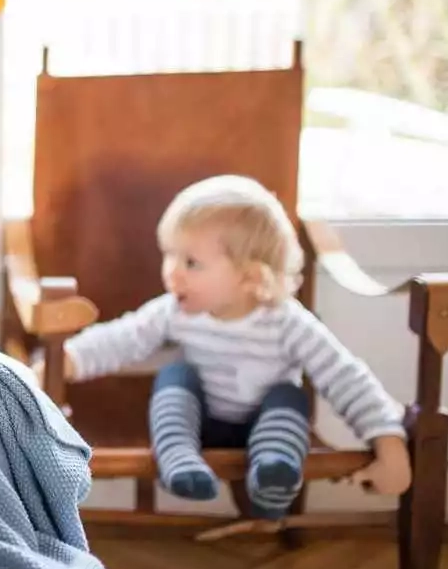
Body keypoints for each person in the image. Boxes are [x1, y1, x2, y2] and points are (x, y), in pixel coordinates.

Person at [44, 174, 410, 518]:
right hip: (199, 424)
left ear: (250, 276)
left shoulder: (287, 322)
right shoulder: (176, 311)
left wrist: (387, 441)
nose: (171, 271)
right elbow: (122, 338)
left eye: (190, 262)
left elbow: (344, 377)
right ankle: (179, 460)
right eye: (169, 255)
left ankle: (273, 475)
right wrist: (67, 360)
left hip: (263, 428)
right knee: (175, 376)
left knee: (288, 396)